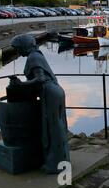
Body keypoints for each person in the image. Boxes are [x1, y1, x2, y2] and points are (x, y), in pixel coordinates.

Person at [10, 34, 70, 174]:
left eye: (19, 49)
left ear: (25, 45)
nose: (18, 52)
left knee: (53, 129)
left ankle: (55, 165)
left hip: (50, 93)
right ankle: (60, 162)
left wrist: (20, 84)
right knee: (57, 127)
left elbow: (40, 79)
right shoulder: (37, 55)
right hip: (55, 92)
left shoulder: (33, 57)